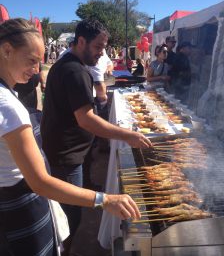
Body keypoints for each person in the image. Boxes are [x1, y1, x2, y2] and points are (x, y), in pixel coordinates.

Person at [0, 18, 142, 256]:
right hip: (21, 205)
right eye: (32, 61)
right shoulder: (8, 106)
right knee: (69, 224)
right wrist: (105, 200)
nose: (37, 71)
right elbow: (40, 182)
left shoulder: (10, 92)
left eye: (39, 62)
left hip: (15, 198)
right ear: (6, 50)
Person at [41, 19, 151, 252]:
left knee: (68, 217)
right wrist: (127, 135)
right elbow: (86, 119)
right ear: (81, 41)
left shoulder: (65, 64)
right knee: (69, 221)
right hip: (66, 157)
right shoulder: (75, 71)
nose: (102, 54)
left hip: (63, 153)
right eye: (98, 47)